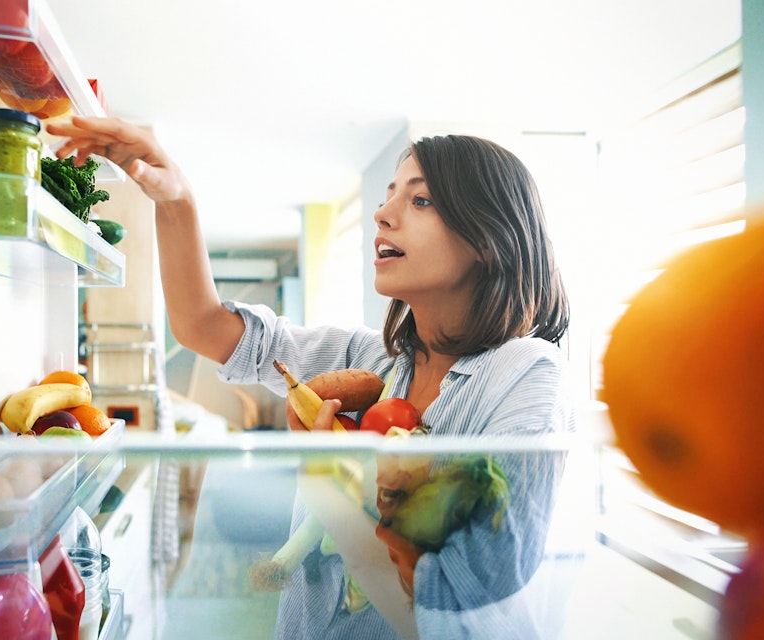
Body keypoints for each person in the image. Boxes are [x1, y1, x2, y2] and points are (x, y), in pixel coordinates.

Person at [47, 116, 575, 639]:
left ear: (487, 237)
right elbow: (202, 325)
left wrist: (326, 483)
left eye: (420, 200)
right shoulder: (371, 359)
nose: (383, 213)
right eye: (389, 194)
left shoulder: (527, 374)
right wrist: (175, 196)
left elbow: (455, 602)